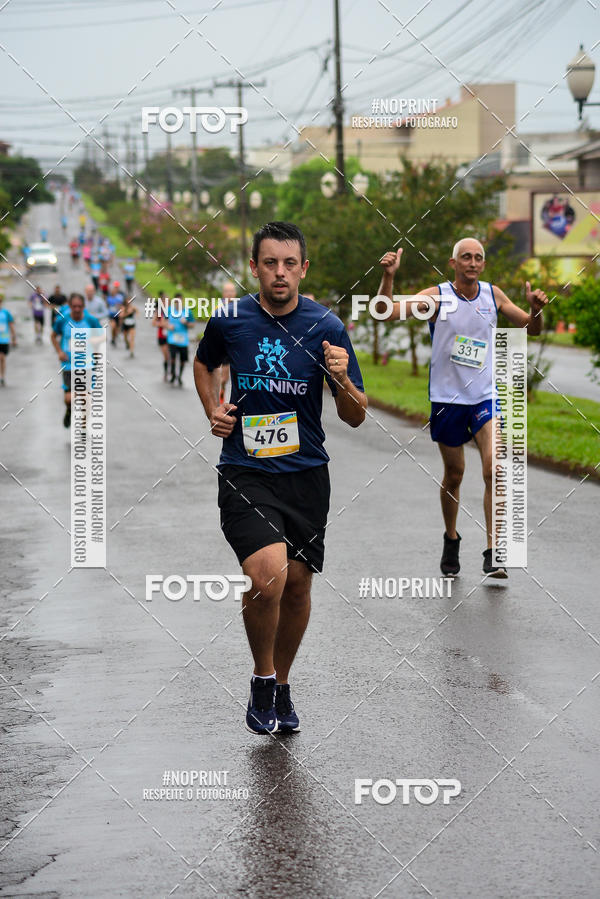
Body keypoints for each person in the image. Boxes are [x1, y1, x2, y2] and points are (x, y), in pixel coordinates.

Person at [194, 221, 366, 735]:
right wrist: (213, 409)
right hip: (245, 469)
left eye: (290, 263)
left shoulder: (327, 328)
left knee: (296, 587)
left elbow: (356, 414)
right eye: (270, 263)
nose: (280, 273)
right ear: (254, 267)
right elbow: (204, 366)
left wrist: (339, 377)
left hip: (307, 474)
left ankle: (283, 684)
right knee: (268, 574)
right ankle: (262, 678)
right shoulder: (231, 320)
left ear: (303, 269)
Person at [377, 239, 548, 579]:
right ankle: (451, 539)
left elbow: (533, 328)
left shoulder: (493, 296)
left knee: (493, 470)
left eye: (478, 258)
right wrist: (388, 278)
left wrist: (537, 309)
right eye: (465, 257)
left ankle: (493, 551)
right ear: (453, 263)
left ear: (483, 265)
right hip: (447, 400)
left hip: (485, 398)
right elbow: (386, 312)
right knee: (454, 475)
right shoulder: (438, 297)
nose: (472, 262)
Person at [51, 292, 101, 428]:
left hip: (87, 364)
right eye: (74, 306)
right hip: (68, 365)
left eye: (80, 306)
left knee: (86, 397)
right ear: (70, 306)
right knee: (69, 399)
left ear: (84, 306)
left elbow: (102, 337)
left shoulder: (91, 320)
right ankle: (69, 410)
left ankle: (83, 427)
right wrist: (60, 352)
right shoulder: (63, 320)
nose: (77, 309)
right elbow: (53, 336)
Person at [215, 280, 236, 403]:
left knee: (227, 378)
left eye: (231, 291)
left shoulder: (240, 307)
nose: (229, 294)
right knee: (220, 377)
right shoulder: (219, 308)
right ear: (223, 294)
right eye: (227, 291)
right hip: (221, 347)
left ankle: (223, 392)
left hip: (234, 348)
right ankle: (219, 398)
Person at [166, 293, 193, 385]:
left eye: (180, 301)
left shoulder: (187, 312)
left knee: (182, 360)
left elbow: (192, 324)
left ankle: (180, 376)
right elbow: (163, 322)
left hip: (183, 340)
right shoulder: (169, 310)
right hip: (172, 339)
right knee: (172, 358)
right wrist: (168, 326)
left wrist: (186, 323)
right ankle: (173, 374)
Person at [152, 290, 169, 380]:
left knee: (172, 355)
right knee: (166, 356)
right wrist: (162, 325)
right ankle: (166, 372)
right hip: (162, 336)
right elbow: (153, 323)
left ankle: (173, 372)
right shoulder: (159, 312)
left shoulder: (172, 311)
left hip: (171, 336)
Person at [0, 294, 17, 385]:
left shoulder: (5, 312)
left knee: (2, 358)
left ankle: (2, 376)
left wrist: (14, 338)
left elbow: (11, 325)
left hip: (4, 340)